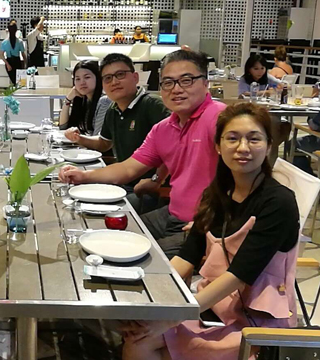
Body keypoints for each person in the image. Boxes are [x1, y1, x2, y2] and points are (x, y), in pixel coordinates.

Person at [122, 103, 299, 360]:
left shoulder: (278, 202)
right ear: (218, 146)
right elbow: (187, 256)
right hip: (215, 308)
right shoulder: (217, 194)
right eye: (232, 138)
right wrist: (153, 303)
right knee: (137, 333)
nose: (243, 148)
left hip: (257, 324)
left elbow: (240, 274)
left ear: (269, 146)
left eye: (254, 139)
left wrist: (172, 318)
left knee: (142, 342)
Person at [60, 50, 226, 258]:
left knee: (144, 261)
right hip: (172, 212)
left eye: (186, 80)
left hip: (205, 224)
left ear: (206, 83)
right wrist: (83, 176)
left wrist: (220, 223)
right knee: (108, 237)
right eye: (168, 83)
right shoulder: (164, 128)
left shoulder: (219, 118)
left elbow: (249, 179)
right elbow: (129, 168)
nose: (177, 89)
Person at [65, 54, 171, 213]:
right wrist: (79, 138)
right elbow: (104, 143)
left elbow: (173, 149)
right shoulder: (113, 109)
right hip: (122, 181)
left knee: (100, 211)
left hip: (149, 189)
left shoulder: (153, 106)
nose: (114, 82)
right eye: (107, 78)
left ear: (135, 77)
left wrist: (156, 180)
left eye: (120, 75)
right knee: (72, 199)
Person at [59, 60, 112, 136]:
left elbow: (98, 137)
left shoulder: (104, 101)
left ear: (98, 78)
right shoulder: (83, 100)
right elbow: (63, 127)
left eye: (87, 77)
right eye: (78, 79)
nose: (82, 82)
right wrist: (68, 99)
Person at [0, 19, 26, 84]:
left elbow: (23, 54)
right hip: (11, 61)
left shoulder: (19, 42)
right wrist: (7, 64)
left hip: (16, 62)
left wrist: (25, 64)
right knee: (15, 81)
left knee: (18, 81)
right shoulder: (5, 42)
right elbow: (1, 55)